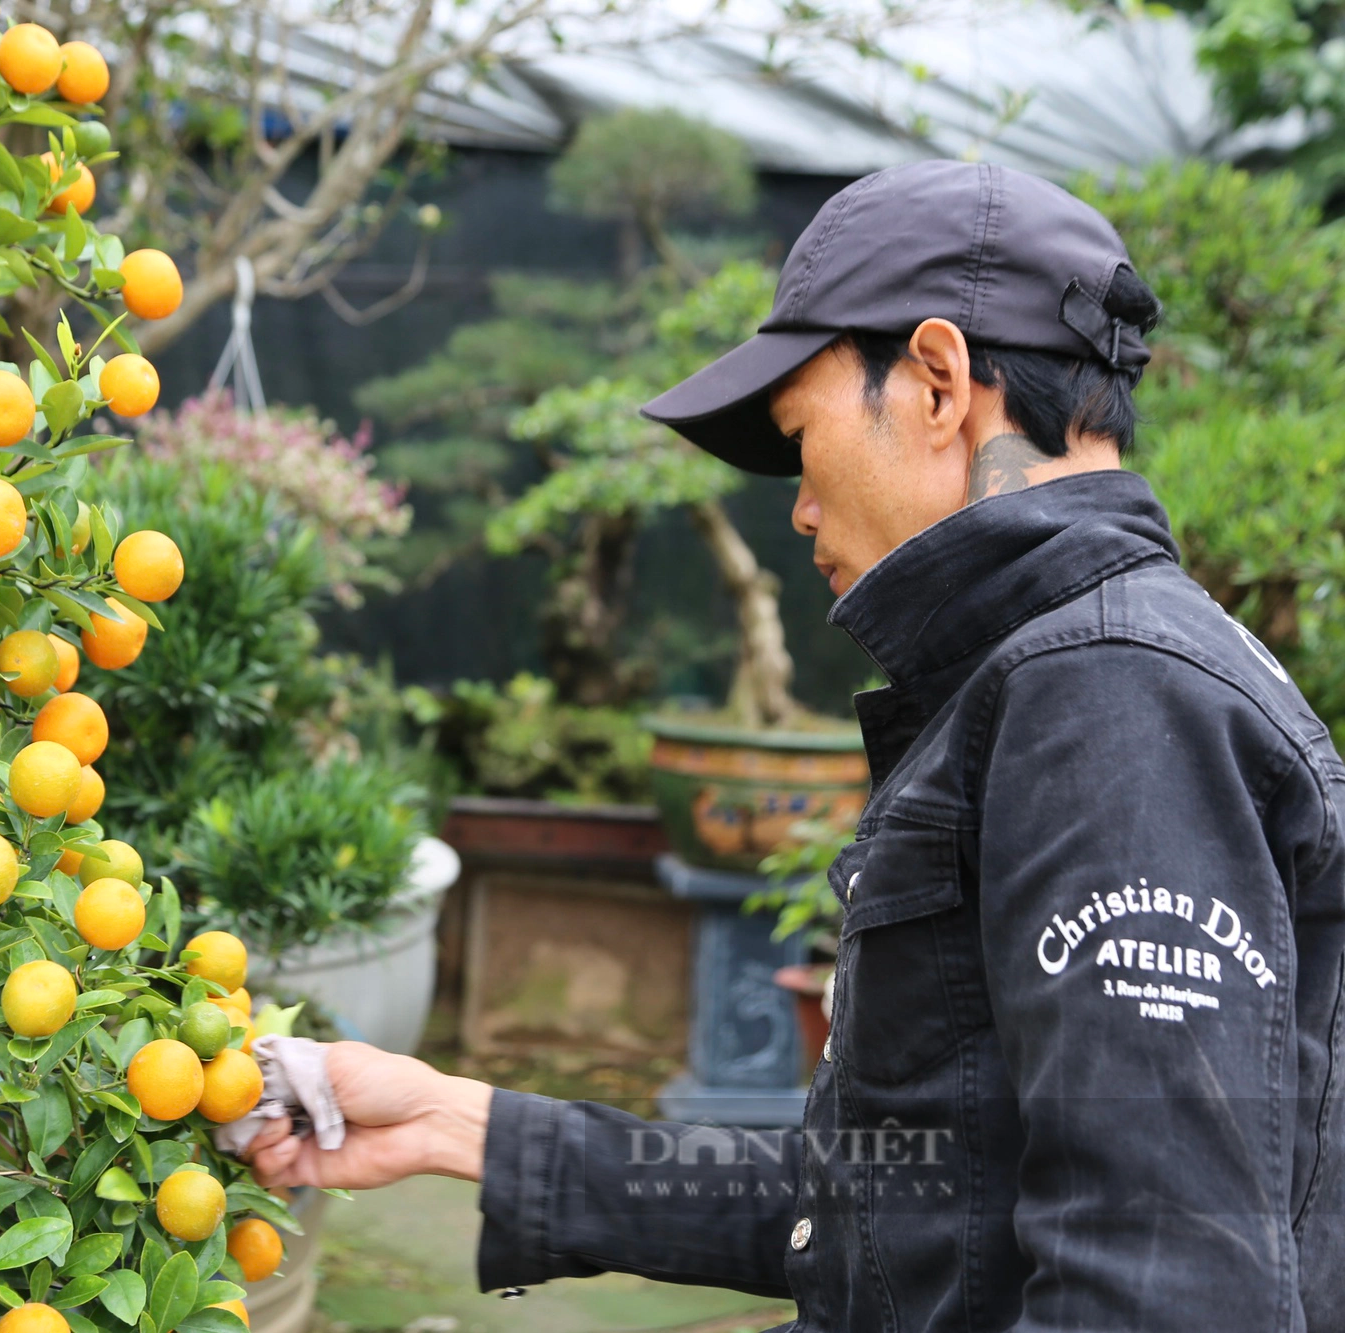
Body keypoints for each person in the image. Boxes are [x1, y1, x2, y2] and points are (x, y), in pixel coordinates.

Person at [243, 160, 1345, 1331]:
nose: (798, 508)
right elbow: (902, 1196)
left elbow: (1160, 1290)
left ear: (934, 382)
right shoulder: (1060, 672)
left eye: (798, 435)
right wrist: (453, 1121)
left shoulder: (1107, 692)